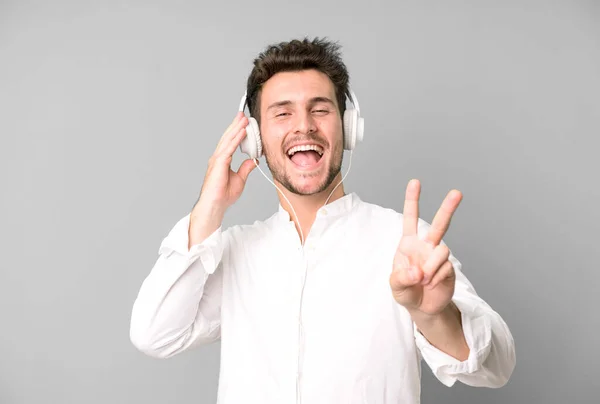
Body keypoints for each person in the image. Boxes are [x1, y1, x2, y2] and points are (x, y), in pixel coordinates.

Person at [129, 37, 516, 403]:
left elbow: (497, 367)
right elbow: (154, 334)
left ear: (348, 128)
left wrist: (432, 316)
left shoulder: (406, 243)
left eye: (320, 109)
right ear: (255, 139)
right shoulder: (232, 253)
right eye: (282, 113)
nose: (304, 126)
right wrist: (209, 208)